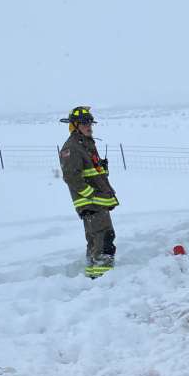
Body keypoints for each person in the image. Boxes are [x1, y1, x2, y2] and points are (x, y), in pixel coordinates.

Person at [58, 106, 118, 279]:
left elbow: (92, 174)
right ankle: (101, 276)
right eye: (84, 123)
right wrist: (92, 194)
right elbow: (71, 177)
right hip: (90, 202)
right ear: (75, 125)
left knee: (98, 239)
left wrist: (102, 169)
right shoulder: (72, 147)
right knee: (103, 238)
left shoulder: (86, 144)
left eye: (90, 123)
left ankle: (95, 275)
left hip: (97, 201)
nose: (89, 126)